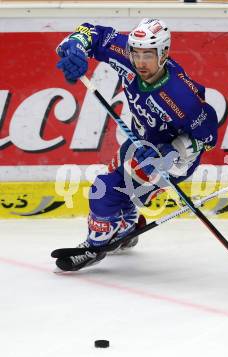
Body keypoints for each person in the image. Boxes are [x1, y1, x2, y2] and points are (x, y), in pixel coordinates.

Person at [54, 19, 218, 271]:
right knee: (115, 179)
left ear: (163, 53)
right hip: (145, 143)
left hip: (174, 159)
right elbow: (93, 33)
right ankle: (127, 227)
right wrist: (74, 47)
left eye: (148, 55)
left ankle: (94, 245)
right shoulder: (127, 55)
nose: (140, 62)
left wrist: (173, 151)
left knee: (105, 189)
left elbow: (207, 136)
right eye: (136, 53)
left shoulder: (180, 95)